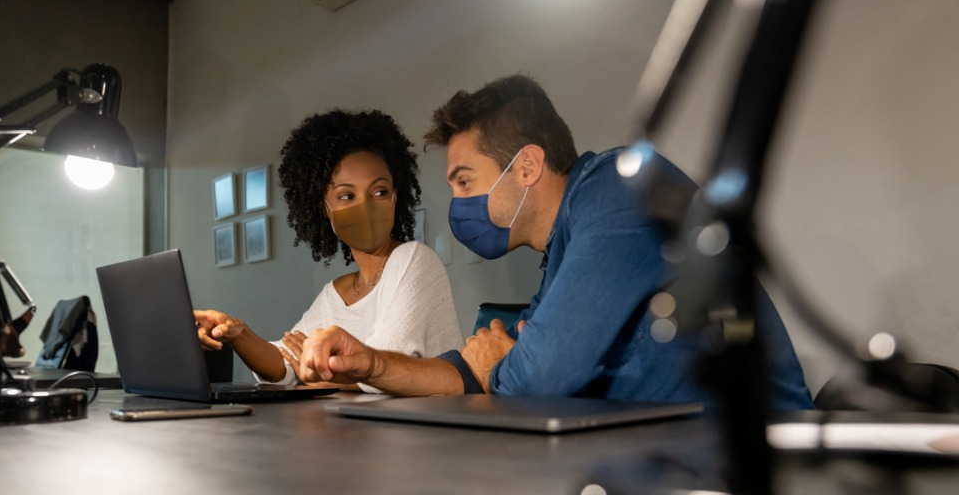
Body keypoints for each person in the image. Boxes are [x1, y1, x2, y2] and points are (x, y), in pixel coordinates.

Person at [296, 75, 814, 409]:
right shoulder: (563, 248)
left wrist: (501, 363)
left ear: (525, 166)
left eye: (464, 181)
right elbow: (486, 373)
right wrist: (370, 363)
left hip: (758, 463)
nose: (457, 202)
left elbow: (538, 374)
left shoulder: (620, 190)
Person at [195, 109, 463, 392]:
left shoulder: (415, 260)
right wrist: (238, 333)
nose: (366, 206)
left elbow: (382, 368)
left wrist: (318, 374)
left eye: (379, 192)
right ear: (324, 208)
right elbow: (287, 365)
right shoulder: (334, 296)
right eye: (347, 196)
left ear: (396, 197)